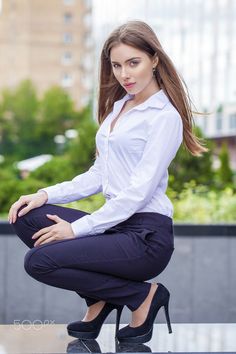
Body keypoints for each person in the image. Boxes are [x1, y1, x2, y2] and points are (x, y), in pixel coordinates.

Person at [8, 20, 207, 344]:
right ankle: (100, 298)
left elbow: (138, 193)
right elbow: (100, 175)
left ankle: (142, 296)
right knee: (26, 216)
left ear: (154, 60)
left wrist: (77, 229)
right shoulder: (118, 110)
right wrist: (44, 193)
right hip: (116, 227)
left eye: (133, 62)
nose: (124, 74)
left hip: (145, 235)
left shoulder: (164, 116)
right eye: (116, 65)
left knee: (39, 261)